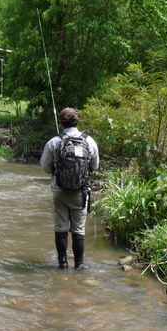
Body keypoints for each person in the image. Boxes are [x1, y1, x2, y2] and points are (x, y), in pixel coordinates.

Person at [40, 107, 99, 269]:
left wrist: (56, 173)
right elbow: (95, 166)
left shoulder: (54, 141)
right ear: (77, 121)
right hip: (81, 191)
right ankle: (79, 265)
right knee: (78, 230)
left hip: (59, 190)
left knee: (61, 228)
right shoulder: (89, 141)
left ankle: (62, 264)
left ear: (61, 123)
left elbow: (44, 166)